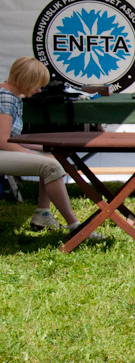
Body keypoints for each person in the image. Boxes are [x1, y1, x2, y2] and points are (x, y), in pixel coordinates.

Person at [0, 56, 101, 240]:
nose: (39, 90)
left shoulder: (11, 95)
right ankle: (76, 227)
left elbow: (12, 140)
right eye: (37, 85)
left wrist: (48, 148)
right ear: (26, 80)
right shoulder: (5, 97)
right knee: (51, 165)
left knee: (53, 157)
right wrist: (35, 155)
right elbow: (3, 142)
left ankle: (43, 214)